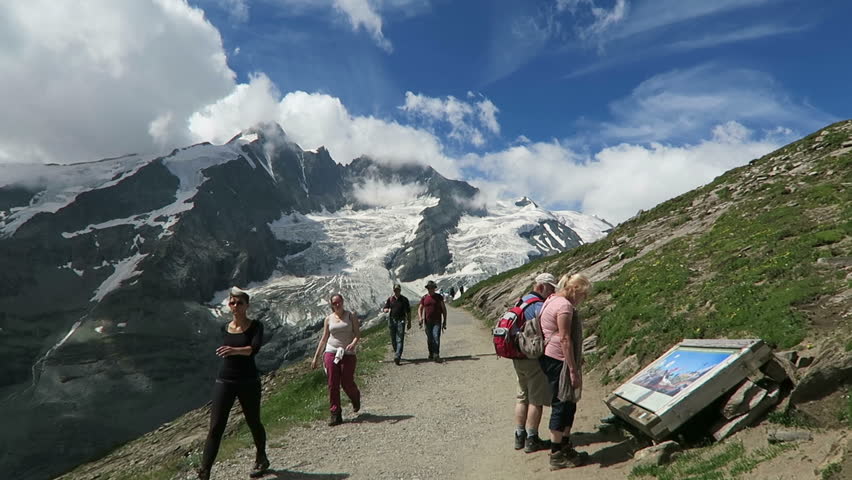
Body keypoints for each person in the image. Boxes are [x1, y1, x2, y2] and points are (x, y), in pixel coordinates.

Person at [198, 287, 269, 480]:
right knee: (216, 426)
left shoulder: (256, 326)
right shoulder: (224, 327)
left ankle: (261, 457)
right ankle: (205, 471)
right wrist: (231, 351)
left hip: (248, 380)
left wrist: (234, 350)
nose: (235, 306)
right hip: (225, 380)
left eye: (239, 303)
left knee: (253, 421)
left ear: (247, 305)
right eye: (232, 302)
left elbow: (254, 349)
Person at [538, 273, 592, 470]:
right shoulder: (564, 306)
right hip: (559, 359)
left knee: (567, 402)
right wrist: (572, 369)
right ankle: (557, 453)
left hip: (549, 357)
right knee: (562, 402)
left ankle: (564, 445)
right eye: (583, 295)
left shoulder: (551, 300)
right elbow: (565, 339)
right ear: (575, 290)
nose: (583, 299)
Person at [512, 273, 558, 453]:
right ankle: (532, 439)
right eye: (550, 288)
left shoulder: (521, 301)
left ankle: (519, 436)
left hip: (518, 356)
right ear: (540, 287)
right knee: (536, 400)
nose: (552, 292)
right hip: (533, 358)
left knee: (521, 397)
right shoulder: (539, 306)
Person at [311, 293, 361, 426]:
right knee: (333, 383)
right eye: (334, 303)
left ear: (343, 302)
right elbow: (324, 338)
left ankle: (355, 396)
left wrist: (354, 343)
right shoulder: (328, 319)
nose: (337, 305)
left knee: (346, 382)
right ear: (331, 305)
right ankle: (335, 413)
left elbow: (357, 334)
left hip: (348, 353)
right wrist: (316, 358)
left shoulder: (351, 316)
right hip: (331, 352)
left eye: (339, 302)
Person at [418, 280, 447, 362]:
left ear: (434, 288)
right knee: (430, 338)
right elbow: (420, 308)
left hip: (437, 321)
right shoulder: (424, 298)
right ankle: (431, 353)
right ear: (427, 288)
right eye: (429, 288)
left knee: (436, 337)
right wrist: (420, 318)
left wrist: (445, 320)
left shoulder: (439, 297)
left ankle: (436, 354)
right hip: (427, 322)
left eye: (432, 288)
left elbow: (444, 309)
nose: (431, 289)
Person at [382, 284, 411, 365]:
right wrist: (386, 310)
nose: (396, 291)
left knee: (400, 338)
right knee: (393, 339)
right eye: (395, 290)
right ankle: (397, 352)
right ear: (393, 290)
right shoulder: (390, 299)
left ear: (400, 290)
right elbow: (385, 307)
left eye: (398, 290)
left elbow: (408, 311)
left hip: (401, 320)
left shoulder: (404, 299)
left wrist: (409, 322)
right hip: (392, 320)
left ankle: (397, 355)